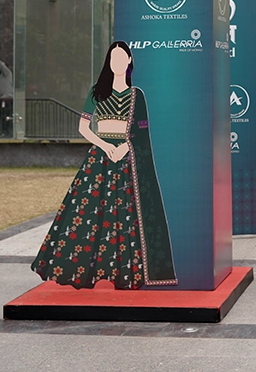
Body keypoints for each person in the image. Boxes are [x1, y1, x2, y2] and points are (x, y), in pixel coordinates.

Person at [32, 41, 177, 289]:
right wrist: (105, 145)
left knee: (124, 216)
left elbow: (142, 132)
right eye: (113, 58)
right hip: (99, 159)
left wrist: (124, 147)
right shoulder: (97, 92)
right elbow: (83, 128)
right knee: (89, 215)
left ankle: (124, 273)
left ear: (130, 61)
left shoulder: (137, 96)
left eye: (122, 58)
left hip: (127, 160)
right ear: (109, 62)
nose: (117, 62)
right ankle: (84, 271)